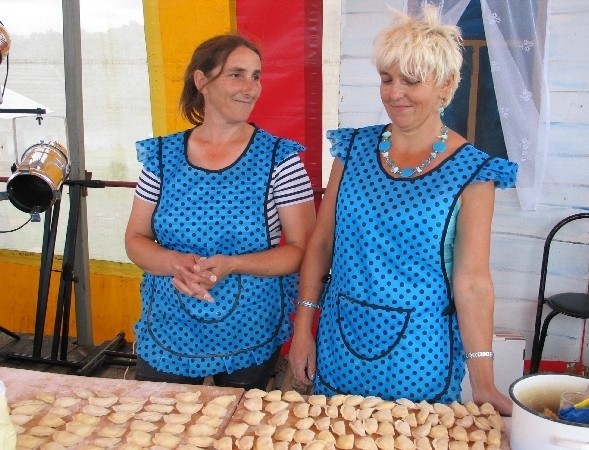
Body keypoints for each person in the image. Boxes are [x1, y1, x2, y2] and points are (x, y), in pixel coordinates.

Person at [289, 5, 517, 415]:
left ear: (446, 85)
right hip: (341, 343)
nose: (395, 93)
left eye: (411, 81)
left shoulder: (474, 172)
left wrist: (483, 382)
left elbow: (473, 282)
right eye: (387, 78)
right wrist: (303, 328)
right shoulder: (353, 149)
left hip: (419, 356)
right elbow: (322, 244)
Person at [125, 34, 316, 390]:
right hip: (170, 326)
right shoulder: (162, 157)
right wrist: (175, 264)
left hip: (250, 327)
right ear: (202, 81)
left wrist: (233, 263)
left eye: (256, 76)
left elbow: (302, 251)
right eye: (237, 74)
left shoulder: (280, 159)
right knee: (165, 428)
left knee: (239, 429)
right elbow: (135, 239)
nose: (251, 88)